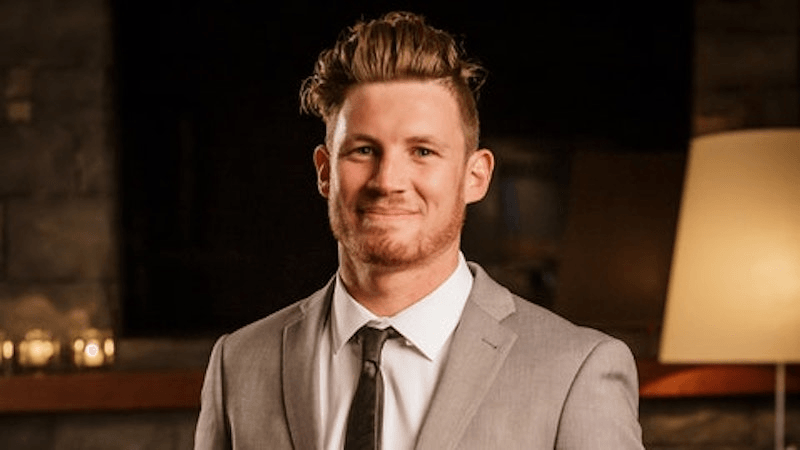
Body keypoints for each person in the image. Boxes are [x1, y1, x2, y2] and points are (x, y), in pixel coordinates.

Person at [194, 11, 644, 449]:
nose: (387, 181)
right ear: (325, 171)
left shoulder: (574, 372)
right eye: (363, 150)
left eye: (423, 151)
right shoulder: (239, 363)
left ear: (475, 177)